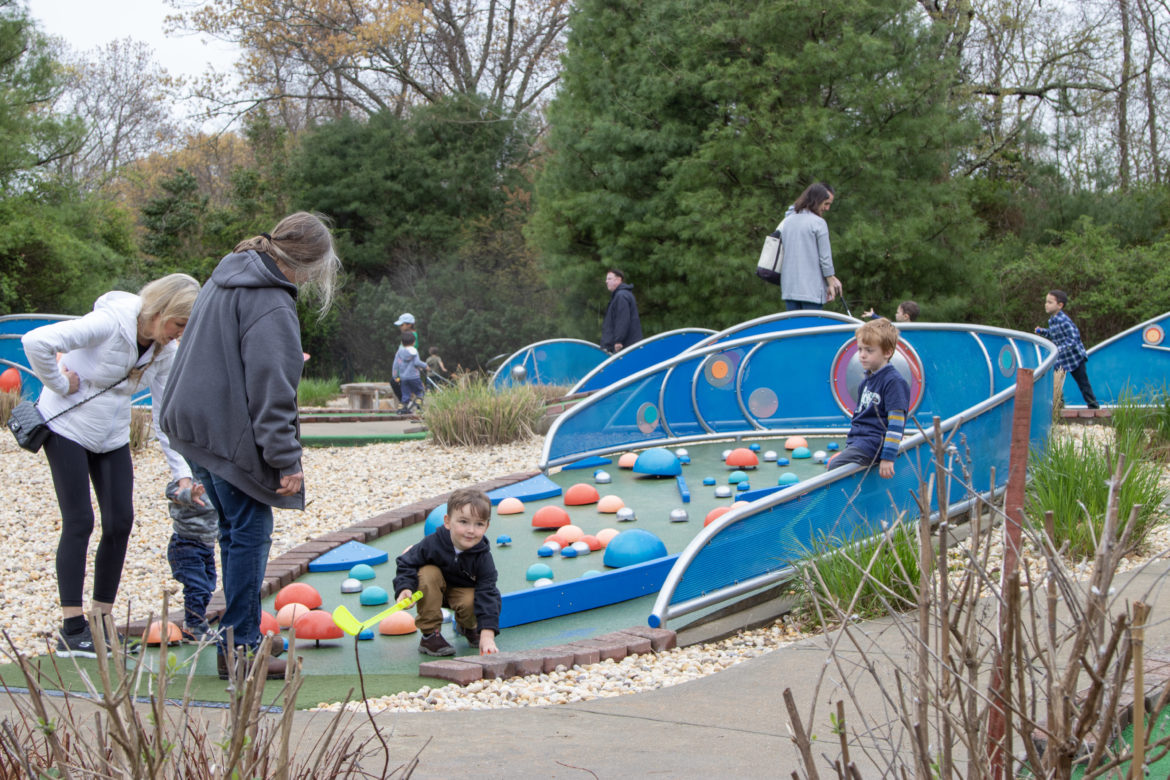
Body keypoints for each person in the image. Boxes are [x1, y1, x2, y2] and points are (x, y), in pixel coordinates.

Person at [160, 212, 341, 680]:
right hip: (224, 430)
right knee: (251, 531)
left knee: (232, 530)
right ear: (311, 262)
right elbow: (272, 386)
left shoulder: (228, 273)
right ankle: (240, 647)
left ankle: (237, 638)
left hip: (193, 425)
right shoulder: (271, 302)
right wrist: (286, 459)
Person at [22, 274, 201, 657]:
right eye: (178, 325)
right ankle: (72, 628)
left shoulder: (162, 351)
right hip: (66, 427)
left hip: (112, 436)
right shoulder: (112, 322)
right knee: (80, 521)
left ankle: (102, 624)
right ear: (162, 311)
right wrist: (58, 382)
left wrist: (181, 471)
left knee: (120, 521)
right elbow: (35, 342)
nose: (178, 335)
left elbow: (163, 412)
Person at [394, 488, 500, 657]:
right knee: (428, 572)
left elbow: (488, 592)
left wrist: (487, 634)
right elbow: (406, 562)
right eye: (463, 522)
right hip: (432, 592)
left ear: (486, 526)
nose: (471, 530)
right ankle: (430, 635)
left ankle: (469, 626)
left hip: (461, 595)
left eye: (479, 524)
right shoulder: (433, 543)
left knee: (476, 597)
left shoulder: (483, 557)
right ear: (448, 521)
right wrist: (405, 587)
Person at [827, 318, 910, 479]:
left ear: (887, 352)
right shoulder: (866, 382)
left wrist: (888, 457)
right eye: (860, 349)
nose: (862, 355)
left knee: (835, 467)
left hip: (874, 443)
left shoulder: (893, 381)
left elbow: (897, 421)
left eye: (869, 351)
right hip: (860, 442)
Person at [165, 474, 220, 641]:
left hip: (207, 545)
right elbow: (171, 492)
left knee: (208, 584)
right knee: (197, 587)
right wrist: (188, 495)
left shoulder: (217, 477)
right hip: (185, 544)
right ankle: (193, 625)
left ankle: (198, 621)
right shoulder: (186, 479)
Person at [779, 183, 842, 311]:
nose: (827, 208)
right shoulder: (818, 223)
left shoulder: (787, 221)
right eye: (825, 204)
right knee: (812, 329)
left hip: (789, 289)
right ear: (816, 201)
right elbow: (825, 258)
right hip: (811, 291)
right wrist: (831, 283)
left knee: (794, 330)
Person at [1035, 289, 1098, 409]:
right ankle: (1059, 405)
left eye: (1050, 302)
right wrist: (1042, 331)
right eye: (1046, 302)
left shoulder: (1064, 320)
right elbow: (1053, 334)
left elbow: (1073, 339)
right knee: (1056, 382)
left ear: (1060, 305)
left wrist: (1058, 349)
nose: (1046, 304)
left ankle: (1093, 406)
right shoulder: (1052, 320)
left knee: (1083, 383)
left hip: (1075, 358)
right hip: (1062, 359)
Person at [600, 268, 642, 353]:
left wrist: (618, 341)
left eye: (609, 278)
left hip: (623, 346)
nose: (606, 281)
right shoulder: (621, 295)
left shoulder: (621, 296)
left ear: (618, 279)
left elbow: (622, 320)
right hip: (626, 345)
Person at [393, 331, 428, 413]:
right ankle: (418, 404)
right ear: (414, 342)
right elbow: (416, 362)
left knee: (405, 395)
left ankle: (401, 409)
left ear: (402, 342)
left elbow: (395, 365)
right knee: (420, 392)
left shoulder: (399, 352)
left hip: (403, 378)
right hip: (414, 376)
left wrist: (395, 376)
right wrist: (425, 366)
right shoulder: (414, 351)